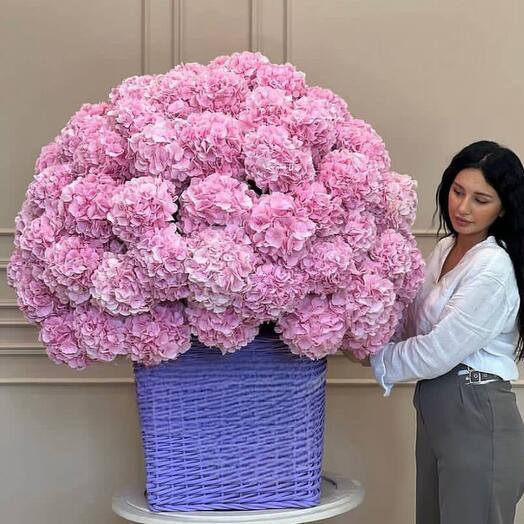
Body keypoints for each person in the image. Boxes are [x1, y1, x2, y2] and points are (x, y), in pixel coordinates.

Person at [357, 141, 524, 523]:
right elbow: (412, 322)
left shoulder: (494, 267)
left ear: (504, 207)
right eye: (457, 191)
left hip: (475, 408)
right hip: (438, 405)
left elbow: (437, 352)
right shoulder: (447, 247)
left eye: (481, 199)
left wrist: (373, 357)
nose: (463, 208)